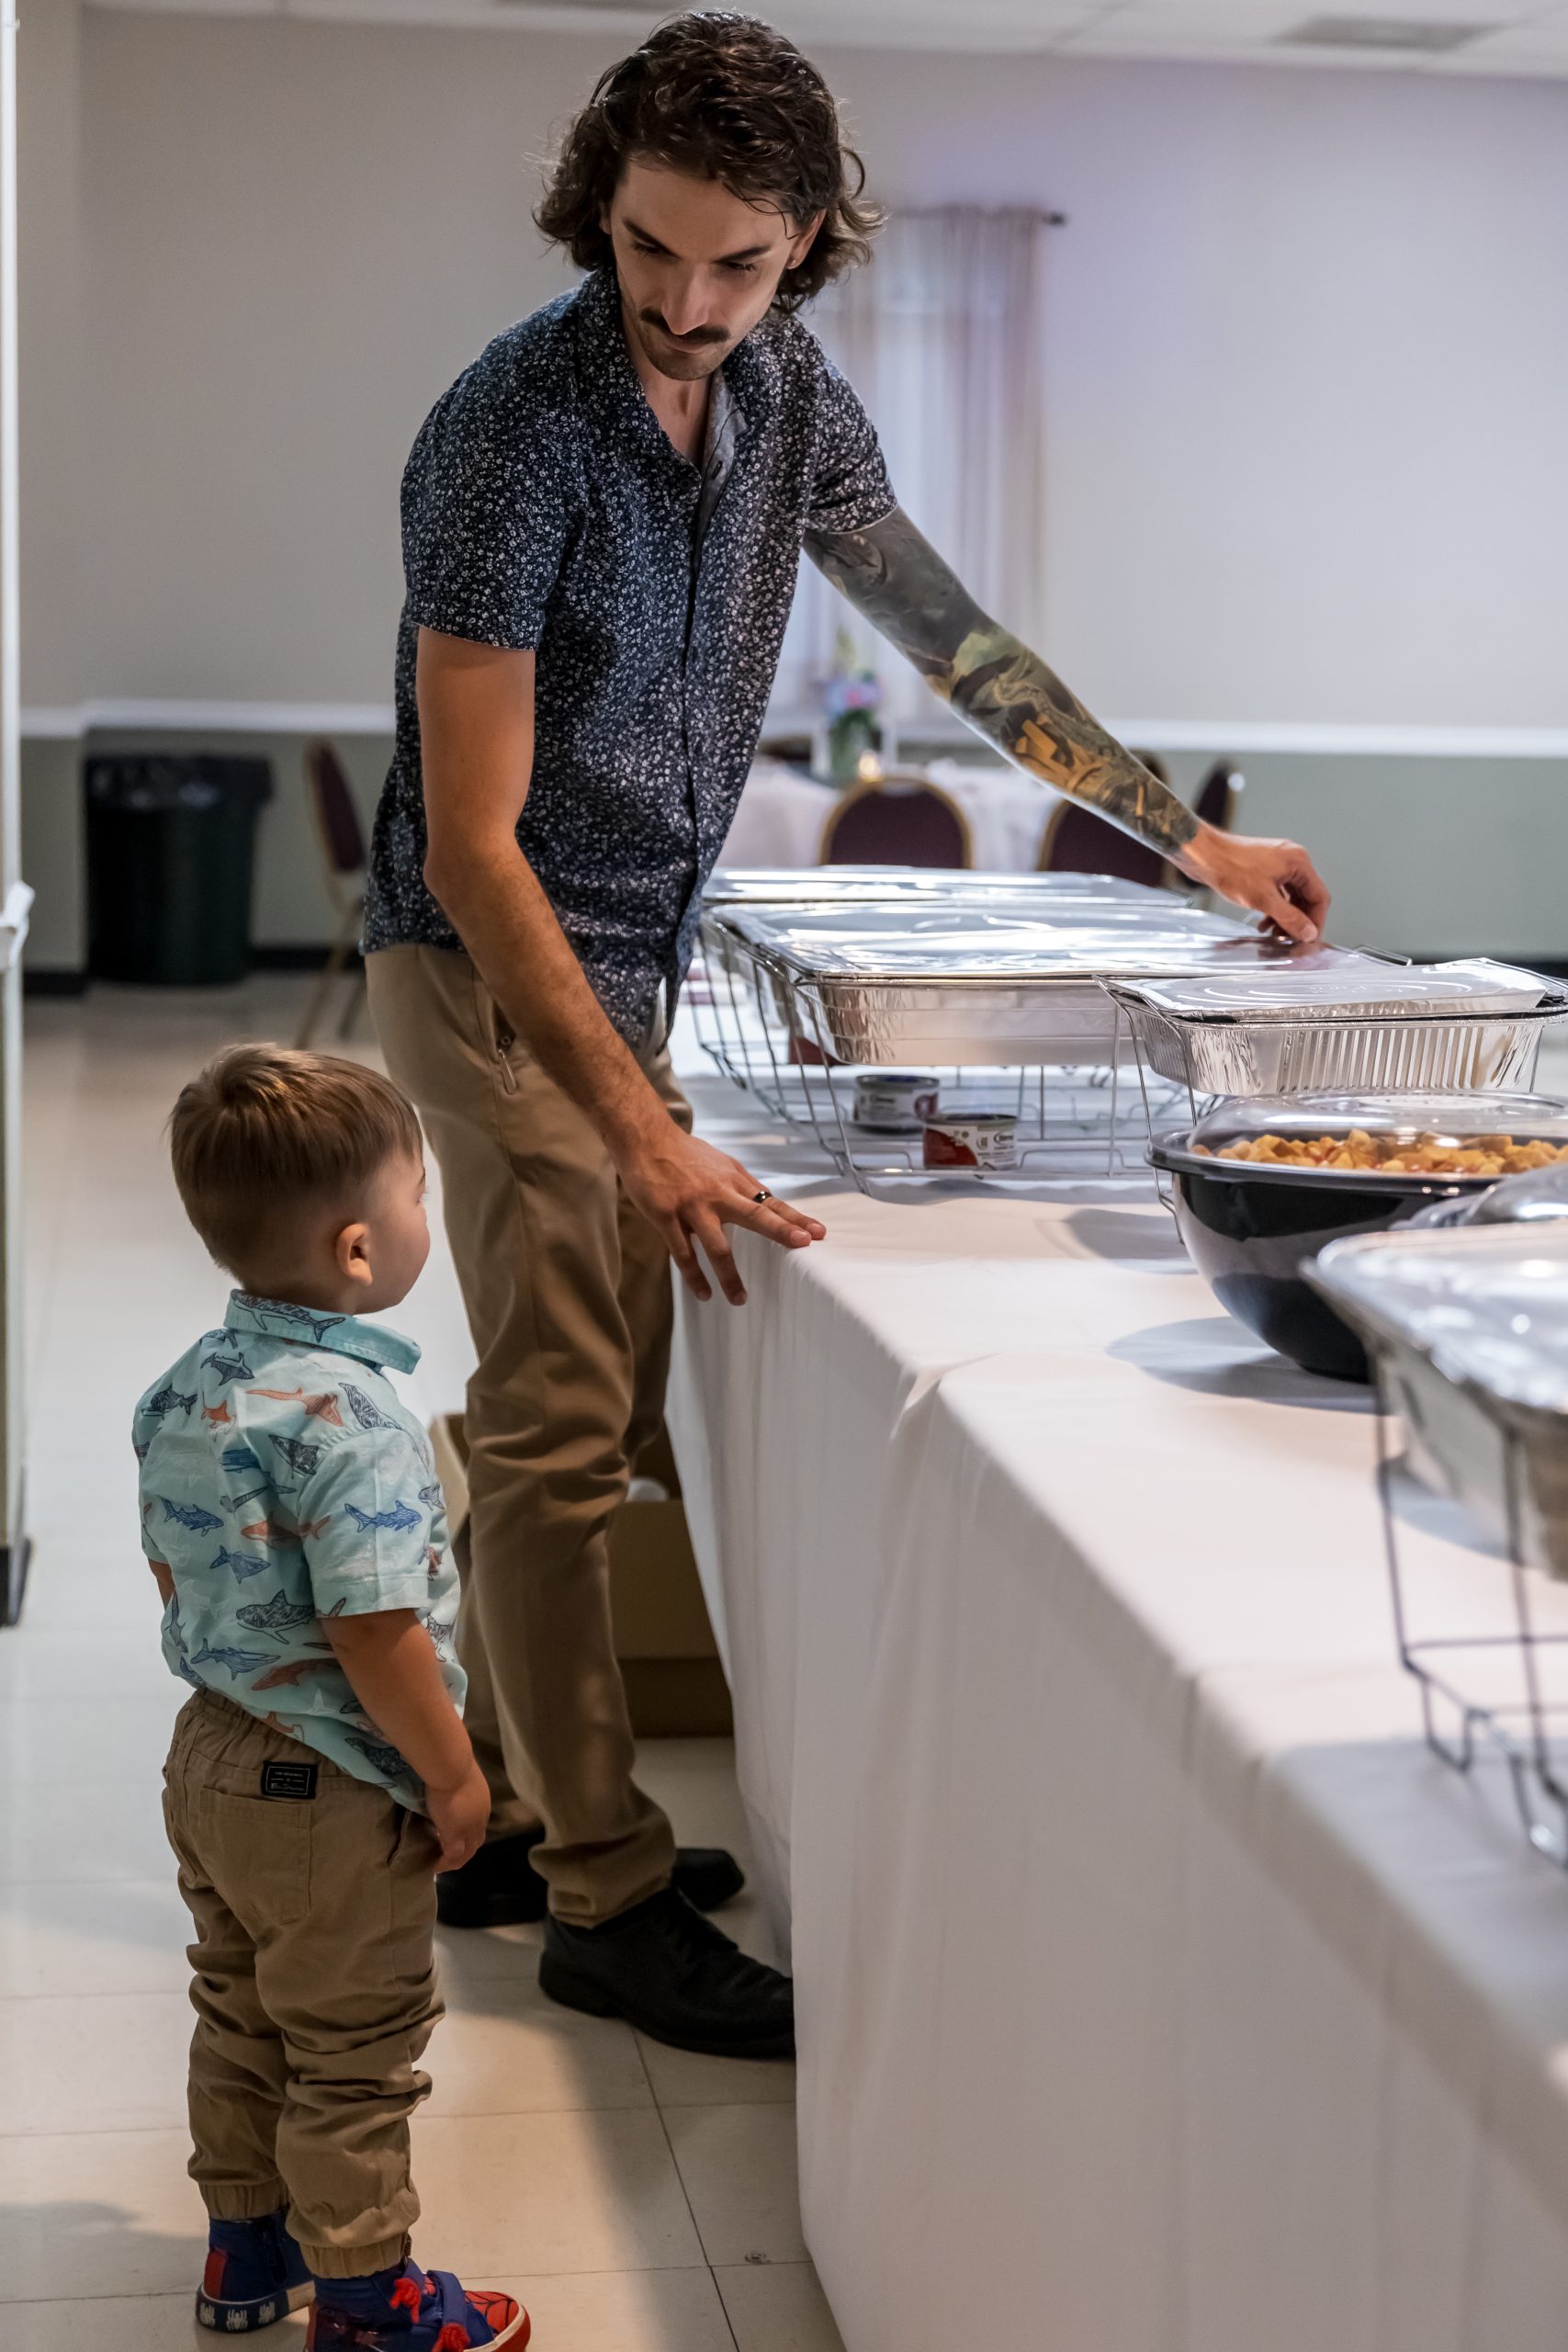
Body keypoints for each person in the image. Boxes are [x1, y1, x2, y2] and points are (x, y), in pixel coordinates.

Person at [363, 10, 1332, 2059]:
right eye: (650, 248)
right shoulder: (509, 430)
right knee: (558, 1425)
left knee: (593, 1408)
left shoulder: (791, 395)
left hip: (639, 953)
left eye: (737, 260)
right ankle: (599, 1896)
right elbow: (469, 842)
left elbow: (962, 650)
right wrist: (639, 1125)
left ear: (806, 239)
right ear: (598, 208)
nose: (687, 301)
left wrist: (1193, 840)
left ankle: (505, 1813)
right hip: (490, 960)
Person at [139, 1045, 527, 2349]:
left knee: (239, 2007)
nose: (425, 1214)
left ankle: (247, 2247)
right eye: (419, 1193)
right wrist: (454, 1773)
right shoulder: (353, 1420)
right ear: (360, 1250)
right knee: (355, 2052)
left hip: (207, 1755)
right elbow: (373, 1630)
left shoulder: (186, 1383)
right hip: (331, 1783)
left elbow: (178, 1566)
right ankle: (368, 2304)